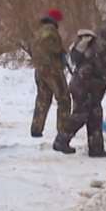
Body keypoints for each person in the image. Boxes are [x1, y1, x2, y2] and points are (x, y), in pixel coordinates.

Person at [54, 21, 106, 157]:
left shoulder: (104, 44)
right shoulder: (101, 47)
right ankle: (61, 140)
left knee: (95, 115)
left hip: (91, 88)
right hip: (83, 86)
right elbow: (105, 71)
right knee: (80, 115)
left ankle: (96, 148)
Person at [29, 8, 70, 139]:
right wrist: (62, 51)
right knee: (64, 99)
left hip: (39, 70)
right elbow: (55, 48)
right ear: (56, 20)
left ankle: (36, 128)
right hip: (52, 69)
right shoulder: (51, 31)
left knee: (43, 99)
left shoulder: (39, 31)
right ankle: (63, 131)